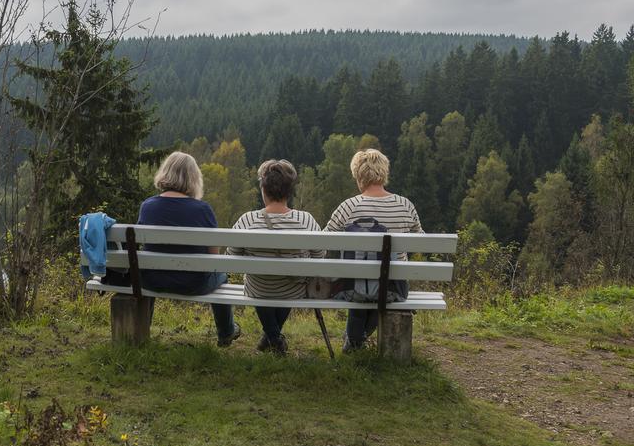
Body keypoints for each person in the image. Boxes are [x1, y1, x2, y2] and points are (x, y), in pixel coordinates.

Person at [324, 148, 424, 352]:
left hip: (353, 289)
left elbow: (323, 241)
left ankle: (353, 342)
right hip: (394, 289)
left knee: (362, 283)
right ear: (384, 173)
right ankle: (355, 341)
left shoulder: (348, 207)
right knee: (377, 285)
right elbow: (420, 241)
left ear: (358, 176)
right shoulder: (405, 205)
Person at [136, 151, 241, 347]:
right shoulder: (202, 209)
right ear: (193, 178)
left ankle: (143, 328)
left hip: (152, 281)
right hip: (193, 284)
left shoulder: (147, 207)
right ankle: (226, 332)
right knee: (222, 275)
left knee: (149, 270)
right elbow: (213, 258)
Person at [228, 159, 322, 354]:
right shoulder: (305, 220)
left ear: (263, 189)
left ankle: (272, 338)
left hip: (258, 288)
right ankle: (273, 338)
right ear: (289, 191)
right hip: (293, 289)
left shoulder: (248, 220)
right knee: (287, 283)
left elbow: (231, 256)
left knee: (262, 284)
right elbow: (320, 255)